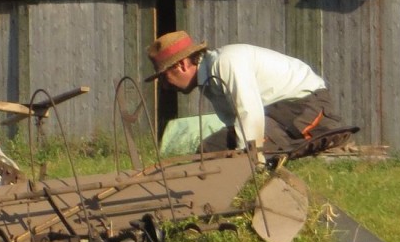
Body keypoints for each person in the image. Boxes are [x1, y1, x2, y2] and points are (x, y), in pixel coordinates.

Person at [146, 30, 352, 163]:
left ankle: (252, 186)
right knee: (209, 149)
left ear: (181, 65)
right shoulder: (208, 80)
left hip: (306, 106)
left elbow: (250, 113)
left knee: (246, 152)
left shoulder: (224, 63)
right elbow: (234, 125)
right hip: (278, 113)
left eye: (164, 77)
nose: (164, 86)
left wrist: (250, 162)